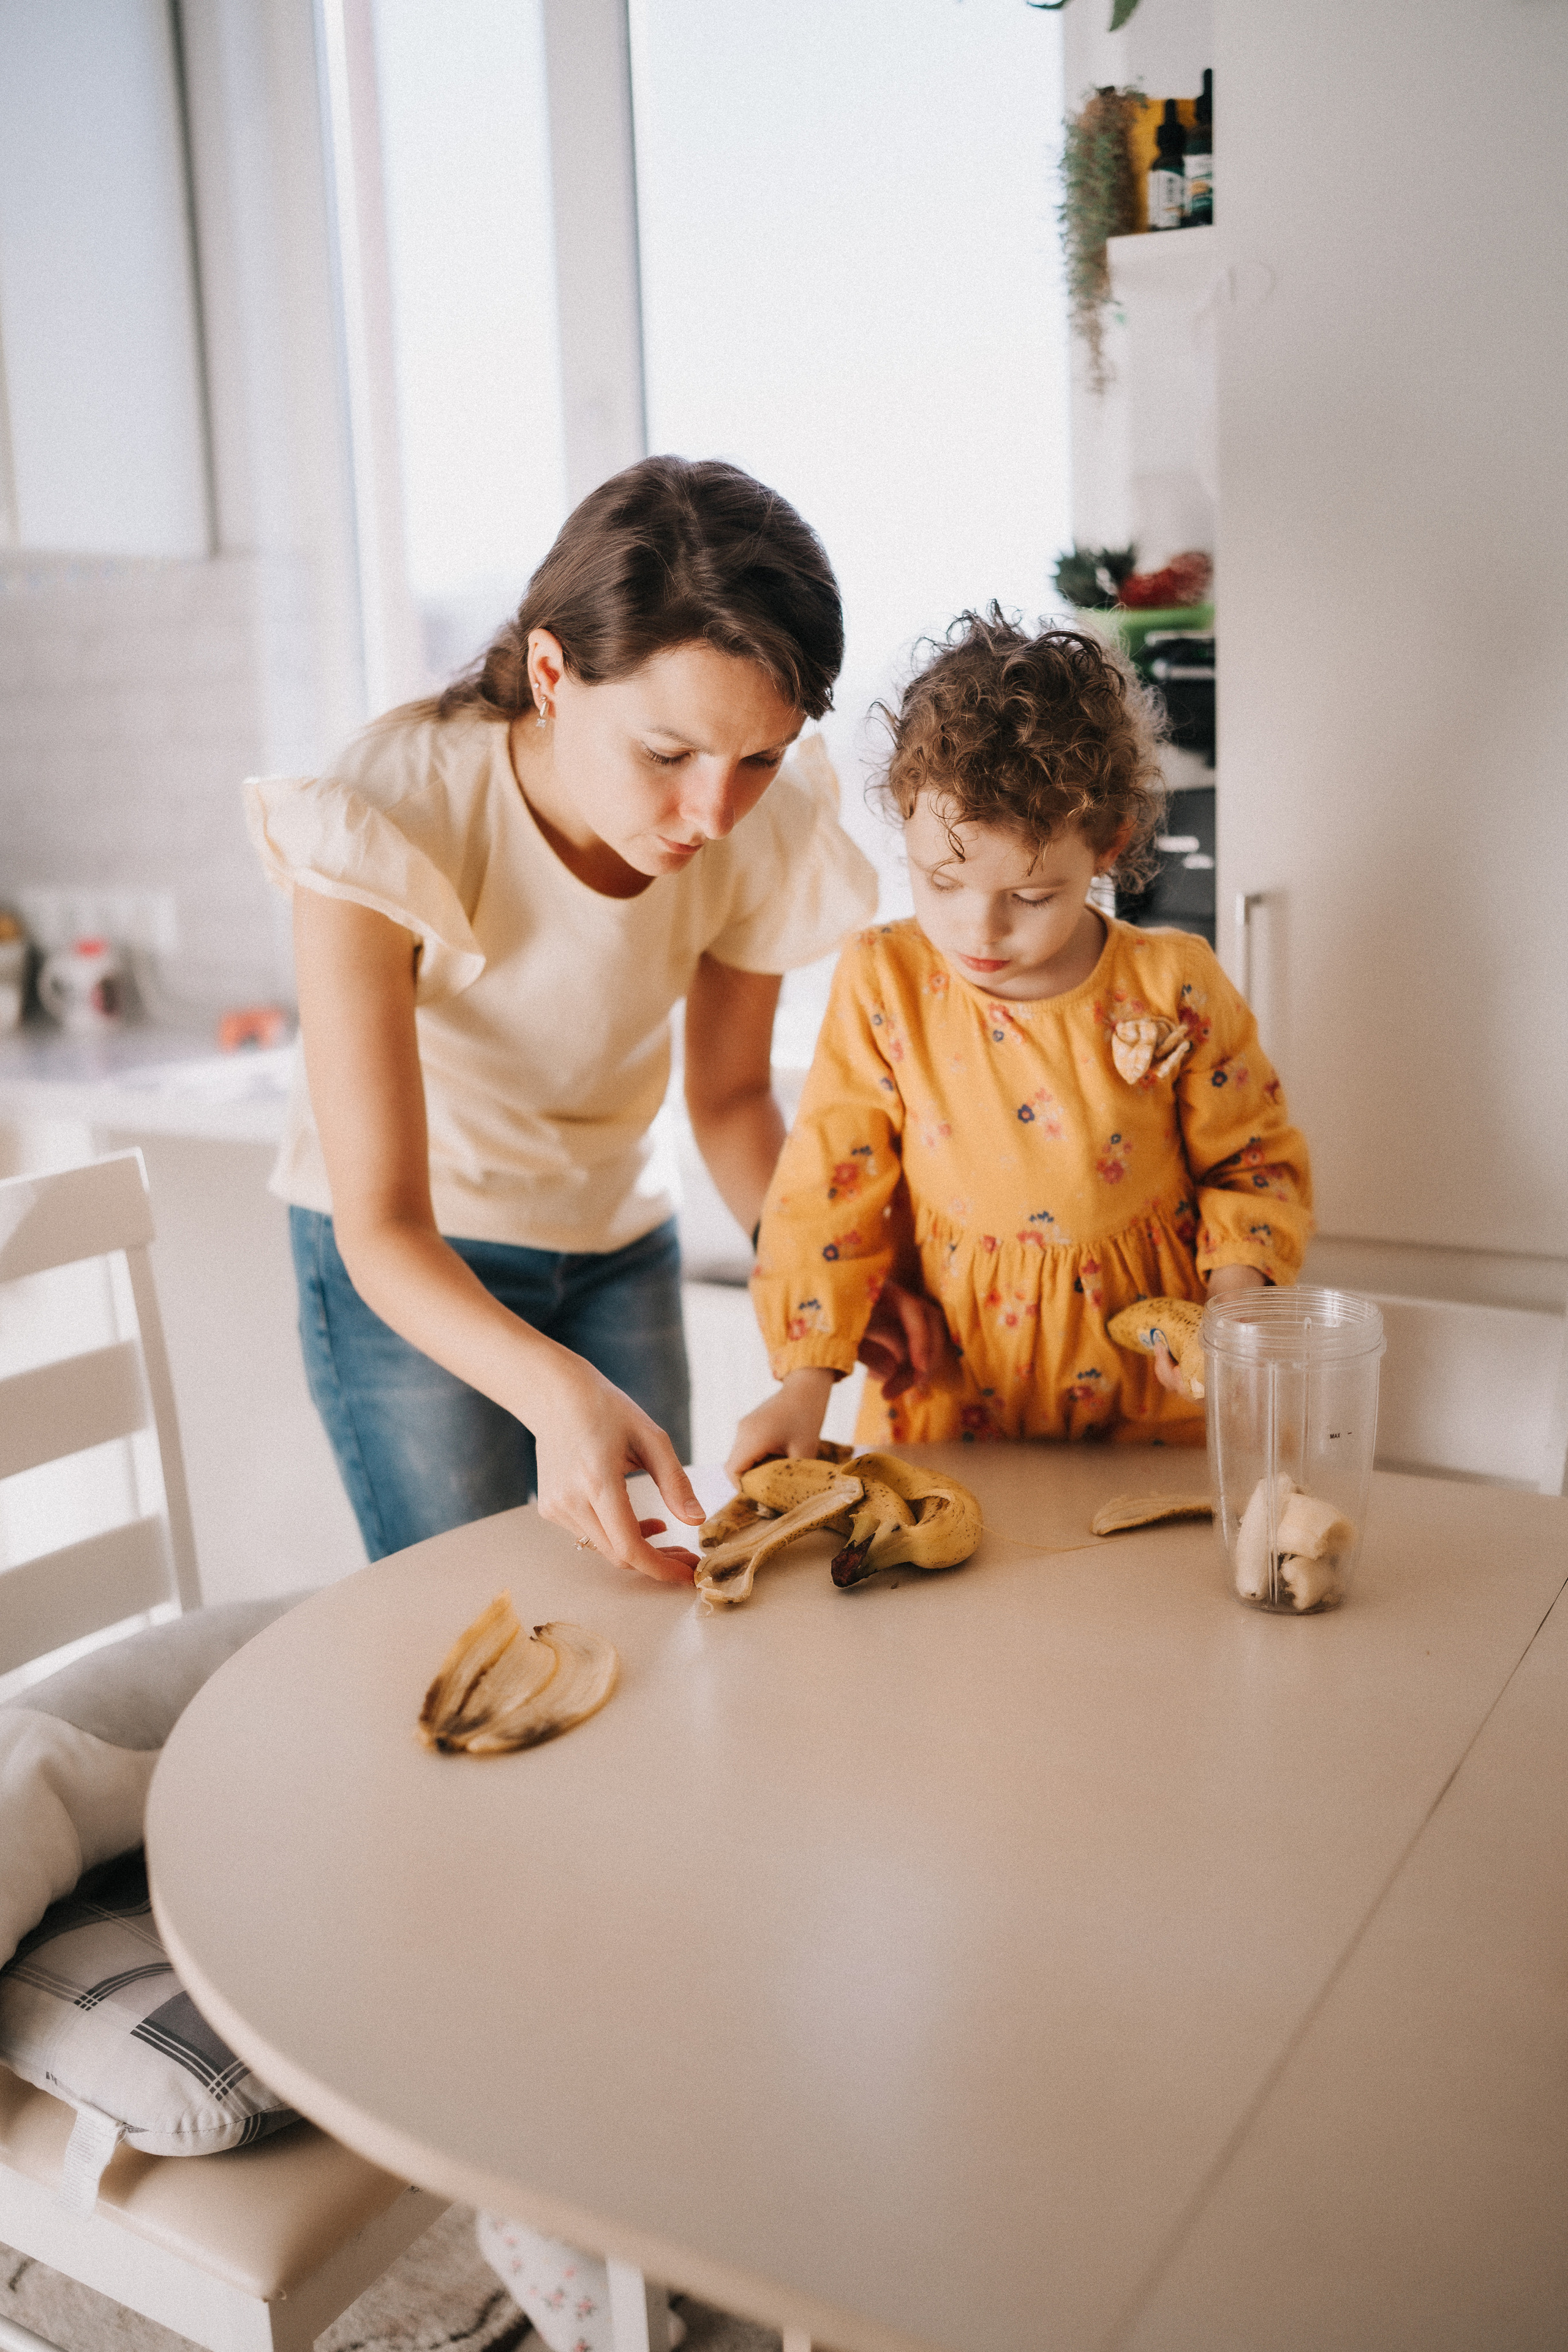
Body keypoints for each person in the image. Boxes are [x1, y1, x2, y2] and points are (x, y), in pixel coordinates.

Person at [246, 456, 876, 1577]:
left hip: (617, 1240)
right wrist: (555, 1392)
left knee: (654, 1597)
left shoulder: (751, 831)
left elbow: (730, 1102)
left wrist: (821, 1296)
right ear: (551, 673)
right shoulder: (385, 815)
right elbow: (381, 1226)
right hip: (419, 1260)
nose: (713, 814)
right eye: (667, 753)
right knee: (472, 1607)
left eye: (760, 760)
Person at [729, 608, 1313, 1475]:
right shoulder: (885, 981)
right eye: (942, 881)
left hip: (1158, 1406)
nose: (981, 929)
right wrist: (805, 1384)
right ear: (908, 828)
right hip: (955, 1400)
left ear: (1107, 847)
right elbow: (826, 1192)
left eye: (1033, 897)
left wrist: (1229, 1317)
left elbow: (1252, 1166)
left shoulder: (1176, 984)